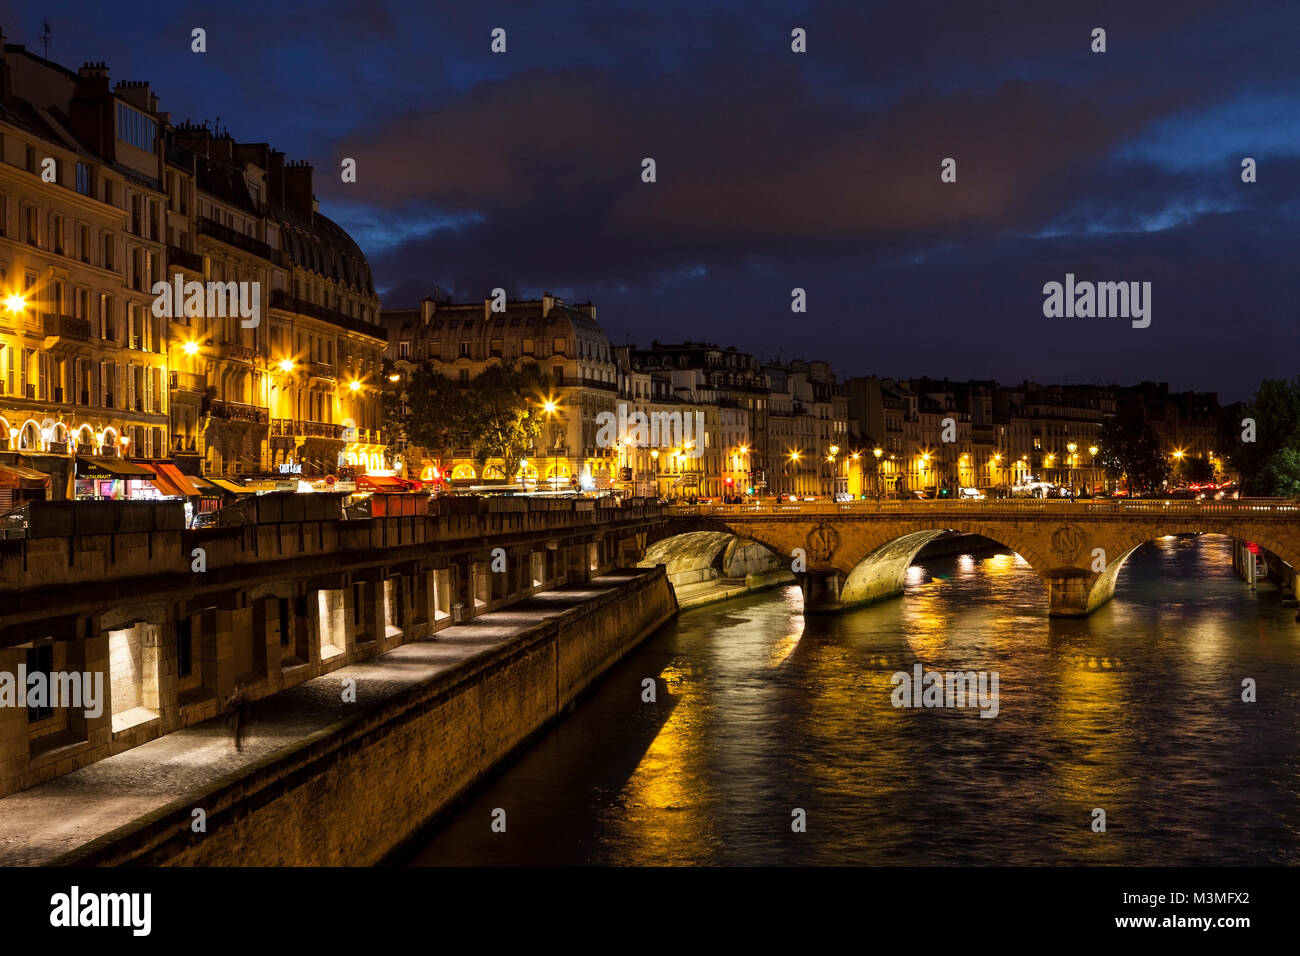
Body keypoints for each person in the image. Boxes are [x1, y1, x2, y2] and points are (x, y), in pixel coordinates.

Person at [226, 684, 248, 753]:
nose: (236, 692)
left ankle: (239, 743)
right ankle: (237, 743)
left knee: (239, 730)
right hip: (235, 717)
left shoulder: (241, 699)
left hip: (240, 717)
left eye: (237, 691)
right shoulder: (234, 699)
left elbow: (244, 707)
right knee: (237, 730)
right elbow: (228, 705)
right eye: (235, 691)